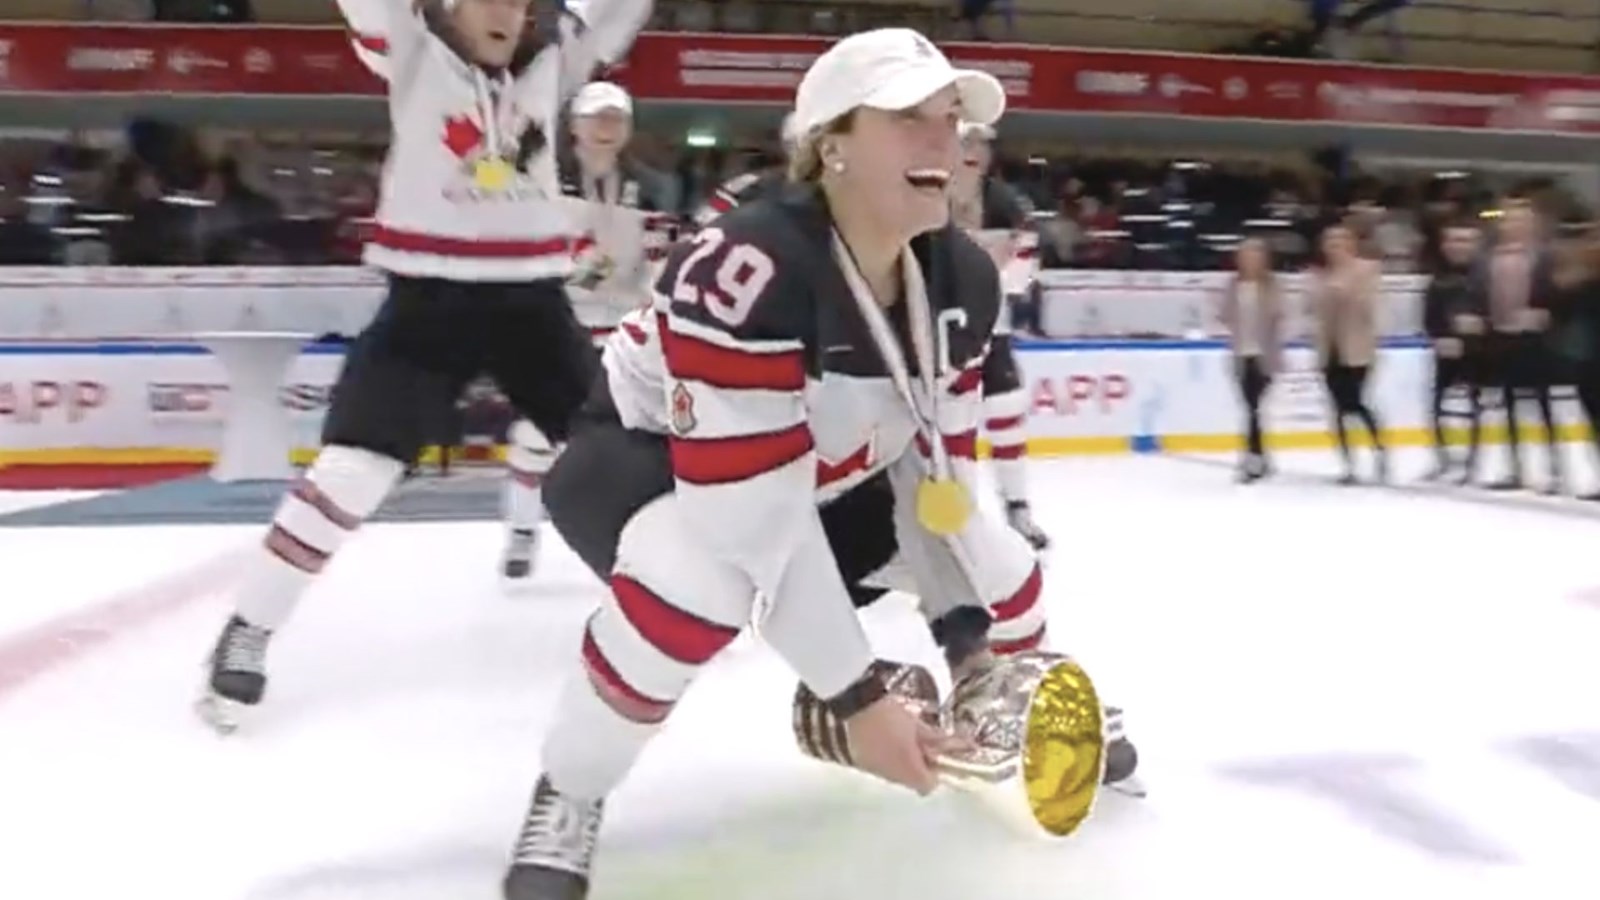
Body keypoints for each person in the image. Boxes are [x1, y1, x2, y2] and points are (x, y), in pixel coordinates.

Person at [495, 29, 1135, 899]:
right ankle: (570, 790)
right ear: (828, 143)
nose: (947, 141)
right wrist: (859, 698)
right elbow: (753, 522)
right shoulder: (749, 266)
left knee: (1000, 561)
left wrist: (970, 649)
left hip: (824, 479)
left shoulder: (961, 281)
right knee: (701, 585)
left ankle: (1013, 700)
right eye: (910, 116)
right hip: (647, 465)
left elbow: (934, 478)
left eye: (951, 119)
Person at [195, 0, 652, 733]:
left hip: (532, 303)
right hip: (427, 301)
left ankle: (672, 612)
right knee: (352, 470)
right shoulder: (409, 42)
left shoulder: (556, 52)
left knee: (619, 460)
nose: (508, 9)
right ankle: (248, 628)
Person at [500, 79, 677, 581]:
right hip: (558, 321)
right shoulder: (541, 177)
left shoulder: (652, 184)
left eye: (615, 118)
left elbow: (662, 249)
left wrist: (654, 285)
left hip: (625, 328)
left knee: (636, 438)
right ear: (573, 125)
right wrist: (573, 268)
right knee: (535, 434)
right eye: (596, 118)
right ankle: (521, 528)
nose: (605, 128)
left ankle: (634, 541)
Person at [948, 120, 1049, 548]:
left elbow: (1022, 279)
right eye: (966, 141)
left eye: (982, 143)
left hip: (992, 331)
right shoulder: (921, 196)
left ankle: (1017, 508)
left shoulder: (1009, 204)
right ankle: (950, 517)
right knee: (944, 431)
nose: (975, 151)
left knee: (1007, 415)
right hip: (933, 335)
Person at [1468, 197, 1560, 492]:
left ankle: (1554, 468)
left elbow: (1558, 294)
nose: (1513, 225)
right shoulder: (1487, 258)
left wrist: (1546, 314)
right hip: (1500, 336)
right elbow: (1477, 293)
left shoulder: (1544, 256)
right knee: (1505, 404)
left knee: (1541, 404)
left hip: (1534, 338)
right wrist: (1478, 318)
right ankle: (1515, 468)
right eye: (1509, 219)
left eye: (1520, 220)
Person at [1312, 223, 1387, 484]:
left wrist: (1346, 293)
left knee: (1354, 403)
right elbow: (1315, 312)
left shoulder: (1366, 270)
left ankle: (1379, 450)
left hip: (1357, 349)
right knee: (1338, 409)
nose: (1335, 248)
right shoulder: (1320, 276)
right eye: (1330, 243)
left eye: (1340, 242)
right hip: (1330, 350)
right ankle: (1349, 464)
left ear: (1351, 244)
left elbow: (1370, 306)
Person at [1421, 219, 1484, 483]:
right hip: (1445, 353)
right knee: (1436, 408)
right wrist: (1438, 337)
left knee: (1476, 408)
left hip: (1480, 354)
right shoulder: (1438, 279)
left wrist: (1478, 330)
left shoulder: (1485, 277)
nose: (1458, 247)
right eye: (1454, 240)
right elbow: (1428, 316)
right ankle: (1444, 459)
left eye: (1465, 240)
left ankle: (1472, 463)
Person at [1218, 237, 1284, 483]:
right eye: (1245, 255)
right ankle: (1258, 457)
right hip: (1241, 354)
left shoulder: (1272, 286)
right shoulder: (1233, 285)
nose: (1249, 260)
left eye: (1255, 255)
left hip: (1264, 356)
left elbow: (1279, 315)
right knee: (1250, 408)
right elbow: (1224, 314)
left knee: (1252, 408)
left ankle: (1253, 459)